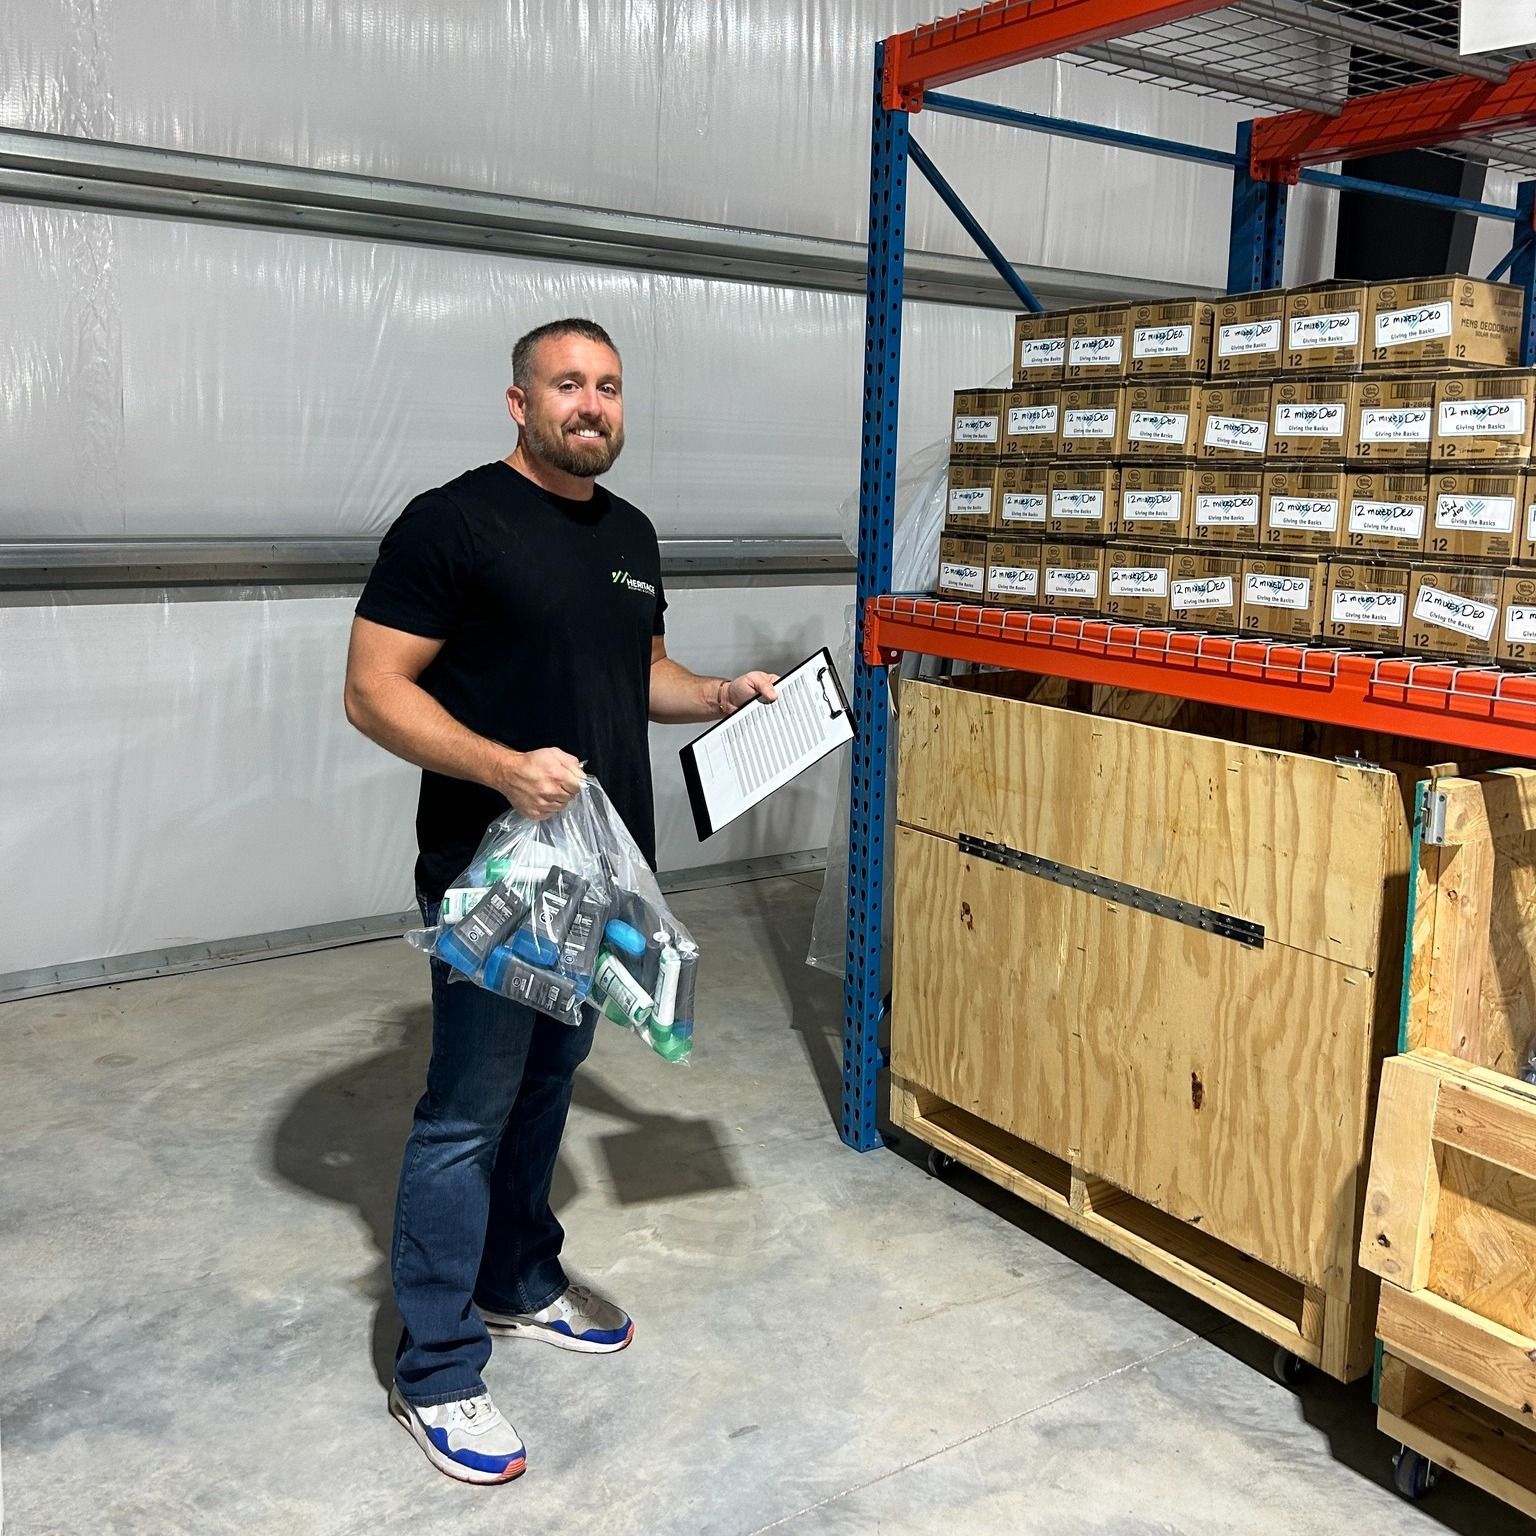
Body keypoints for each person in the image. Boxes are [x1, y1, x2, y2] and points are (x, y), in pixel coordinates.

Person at [343, 317, 779, 1485]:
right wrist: (498, 765)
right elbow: (372, 692)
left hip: (604, 871)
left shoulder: (630, 534)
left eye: (610, 388)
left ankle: (518, 1279)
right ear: (518, 402)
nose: (591, 405)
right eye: (568, 385)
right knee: (467, 1111)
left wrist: (724, 695)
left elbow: (640, 673)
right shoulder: (453, 522)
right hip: (497, 874)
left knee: (549, 1083)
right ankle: (433, 1368)